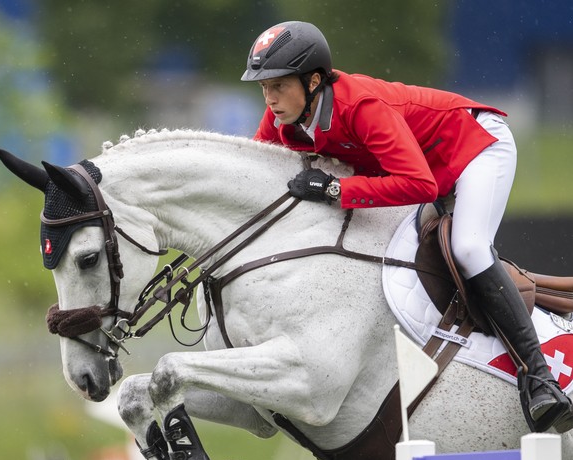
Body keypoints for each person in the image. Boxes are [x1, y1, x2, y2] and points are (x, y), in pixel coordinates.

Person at [241, 20, 573, 433]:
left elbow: (419, 184)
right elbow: (256, 176)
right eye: (264, 88)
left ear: (312, 81)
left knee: (469, 248)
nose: (269, 98)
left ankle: (539, 379)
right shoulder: (283, 118)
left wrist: (334, 189)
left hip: (475, 148)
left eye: (278, 86)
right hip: (427, 167)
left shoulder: (359, 107)